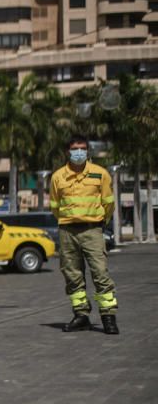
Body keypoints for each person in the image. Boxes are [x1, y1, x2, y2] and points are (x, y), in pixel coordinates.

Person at [50, 135, 119, 334]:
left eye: (82, 148)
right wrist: (68, 219)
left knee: (100, 274)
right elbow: (55, 206)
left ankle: (108, 317)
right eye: (74, 148)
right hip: (67, 231)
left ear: (87, 151)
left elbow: (109, 203)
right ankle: (81, 316)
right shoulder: (58, 177)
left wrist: (99, 222)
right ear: (68, 151)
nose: (78, 152)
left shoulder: (100, 174)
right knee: (72, 276)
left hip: (92, 230)